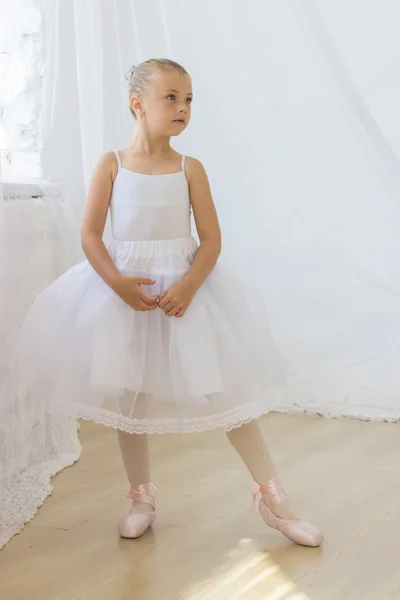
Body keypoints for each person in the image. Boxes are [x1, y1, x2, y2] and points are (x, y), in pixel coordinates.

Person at [14, 58, 323, 547]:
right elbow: (91, 235)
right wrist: (117, 283)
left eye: (189, 99)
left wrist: (188, 287)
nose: (183, 108)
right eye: (171, 97)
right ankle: (141, 496)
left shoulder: (189, 168)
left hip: (185, 294)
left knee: (229, 398)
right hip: (126, 295)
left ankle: (274, 499)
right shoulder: (111, 164)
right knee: (129, 397)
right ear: (138, 104)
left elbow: (212, 239)